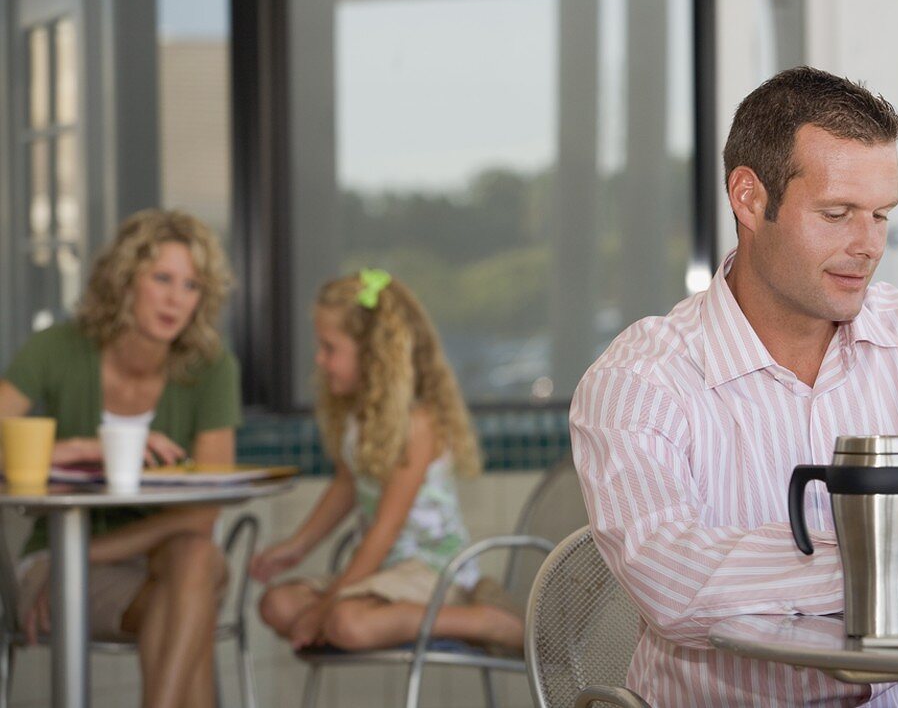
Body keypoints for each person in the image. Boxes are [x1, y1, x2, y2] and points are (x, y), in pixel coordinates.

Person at [569, 66, 898, 707]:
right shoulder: (639, 378)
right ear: (749, 197)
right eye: (837, 214)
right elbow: (673, 581)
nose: (868, 245)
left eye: (881, 215)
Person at [0, 209, 240, 708]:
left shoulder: (211, 367)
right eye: (163, 278)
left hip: (140, 557)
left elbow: (202, 513)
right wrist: (78, 449)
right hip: (57, 559)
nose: (177, 299)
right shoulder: (57, 348)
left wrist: (84, 555)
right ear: (125, 278)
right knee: (189, 602)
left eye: (192, 286)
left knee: (196, 560)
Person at [251, 270, 522, 653]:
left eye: (330, 348)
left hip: (433, 575)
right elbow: (347, 486)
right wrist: (295, 547)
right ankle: (357, 613)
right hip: (386, 574)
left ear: (373, 355)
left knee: (346, 623)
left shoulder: (418, 424)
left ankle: (484, 621)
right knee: (277, 604)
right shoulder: (357, 418)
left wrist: (326, 608)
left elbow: (386, 530)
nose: (320, 359)